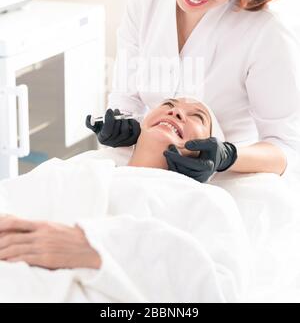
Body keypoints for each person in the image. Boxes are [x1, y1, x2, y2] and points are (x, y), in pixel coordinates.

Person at [87, 0, 300, 181]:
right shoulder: (144, 6)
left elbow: (287, 149)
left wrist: (227, 156)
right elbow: (127, 101)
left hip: (225, 184)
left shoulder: (266, 34)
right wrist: (121, 127)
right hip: (141, 172)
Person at [0, 98, 246, 304]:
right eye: (168, 104)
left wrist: (94, 249)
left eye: (198, 117)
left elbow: (217, 293)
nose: (177, 111)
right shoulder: (78, 168)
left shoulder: (208, 201)